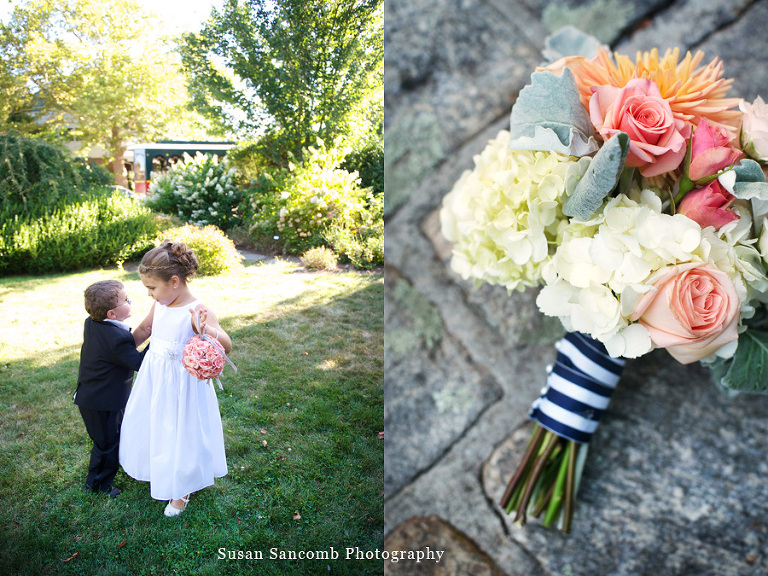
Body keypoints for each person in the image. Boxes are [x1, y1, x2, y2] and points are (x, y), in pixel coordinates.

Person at [119, 240, 232, 517]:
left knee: (182, 430)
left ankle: (182, 488)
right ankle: (157, 466)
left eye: (152, 288)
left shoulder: (197, 310)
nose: (149, 294)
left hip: (183, 385)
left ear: (173, 281)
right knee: (157, 423)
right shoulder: (161, 303)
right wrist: (117, 351)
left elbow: (227, 345)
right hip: (155, 378)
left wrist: (206, 330)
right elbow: (145, 329)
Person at [75, 279, 147, 498]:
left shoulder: (93, 323)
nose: (130, 301)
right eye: (126, 300)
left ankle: (107, 472)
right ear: (112, 314)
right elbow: (139, 363)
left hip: (97, 396)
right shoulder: (117, 339)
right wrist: (158, 343)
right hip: (102, 403)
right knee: (106, 445)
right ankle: (98, 485)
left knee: (110, 439)